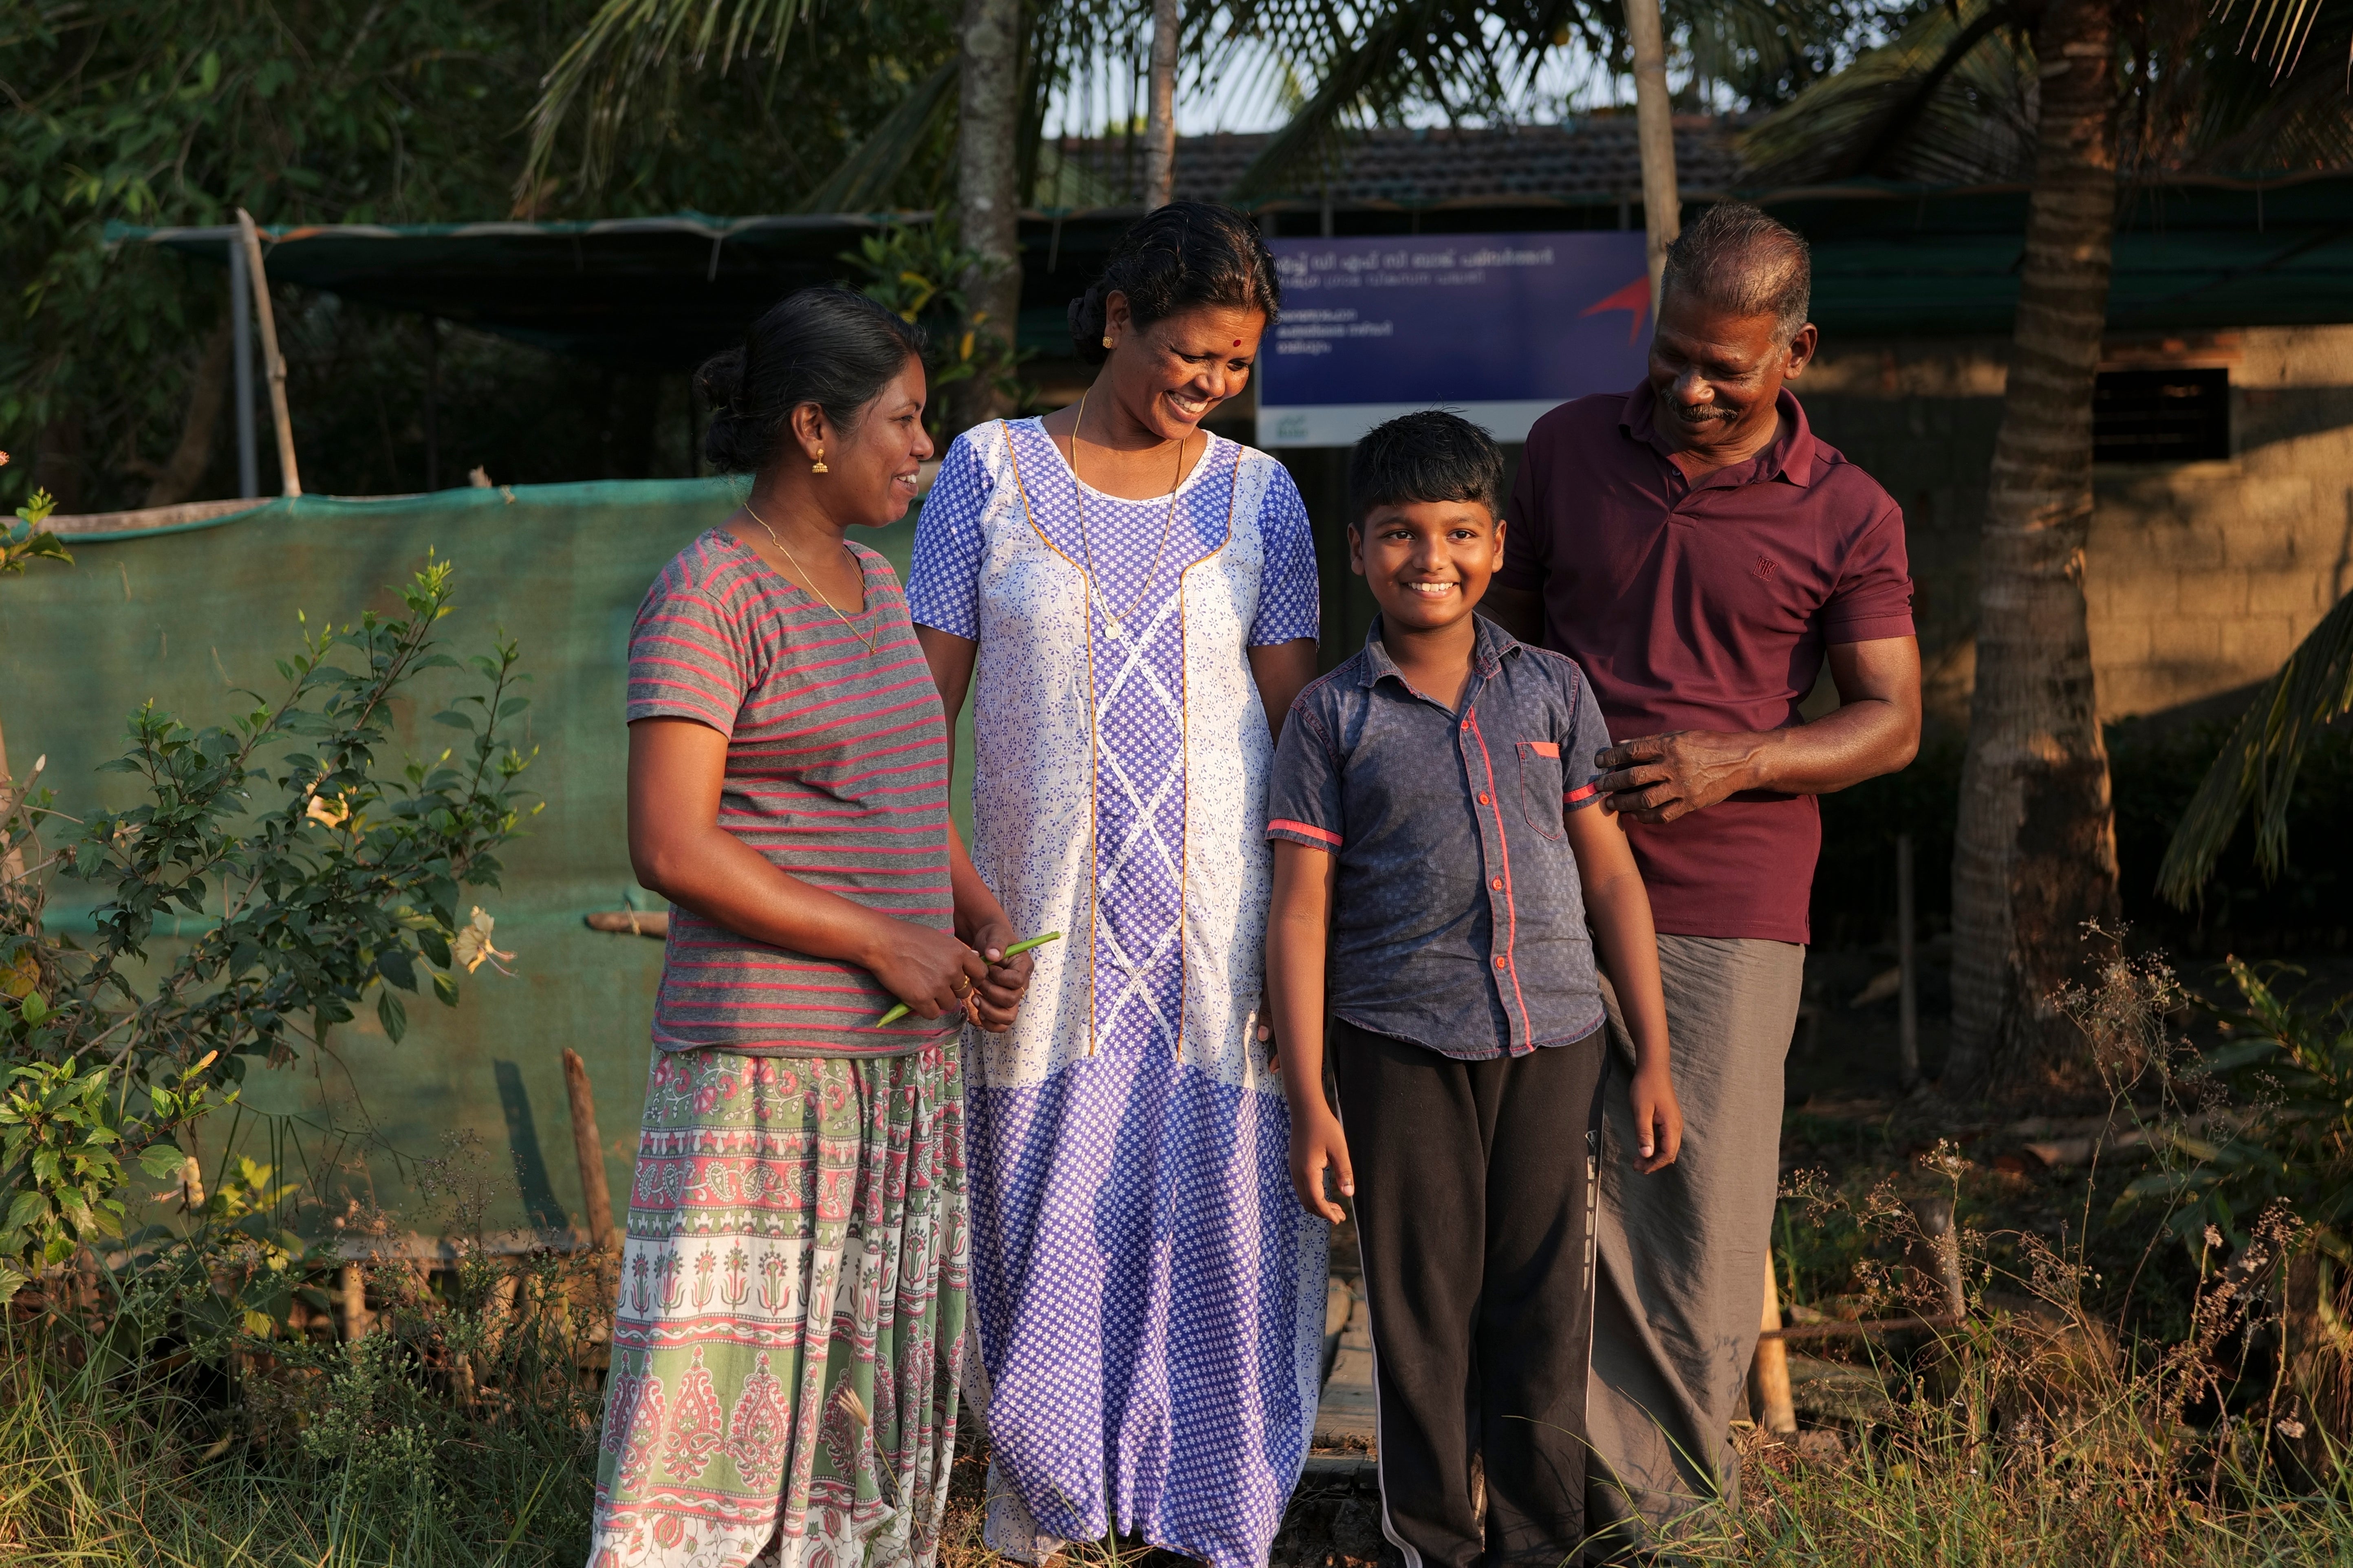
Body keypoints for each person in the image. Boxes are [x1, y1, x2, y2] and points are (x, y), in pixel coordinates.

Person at [1482, 203, 1922, 1550]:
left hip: (1731, 904)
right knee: (1542, 1204)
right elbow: (1501, 646)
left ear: (1797, 352)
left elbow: (1893, 719)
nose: (1686, 387)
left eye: (1724, 369)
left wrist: (1739, 762)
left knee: (1695, 1219)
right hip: (1546, 889)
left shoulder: (1850, 511)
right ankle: (1535, 1516)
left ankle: (1667, 1528)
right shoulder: (1564, 450)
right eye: (1671, 353)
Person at [906, 202, 1327, 1568]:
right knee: (1042, 1213)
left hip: (1222, 941)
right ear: (1114, 322)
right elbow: (921, 727)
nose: (1211, 385)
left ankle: (1209, 1513)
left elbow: (1303, 748)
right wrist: (961, 901)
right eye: (1191, 354)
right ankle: (1050, 1503)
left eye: (1237, 364)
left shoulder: (1265, 498)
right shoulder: (986, 473)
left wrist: (1307, 943)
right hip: (1036, 938)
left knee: (1225, 1209)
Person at [589, 287, 1036, 1568]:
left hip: (894, 1066)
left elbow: (900, 785)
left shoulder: (878, 590)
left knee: (850, 1389)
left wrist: (972, 911)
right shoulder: (707, 594)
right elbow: (671, 844)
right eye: (903, 420)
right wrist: (880, 943)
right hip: (767, 1076)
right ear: (812, 429)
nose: (925, 447)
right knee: (726, 1390)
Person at [1262, 410, 1681, 1568]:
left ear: (1497, 545)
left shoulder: (1552, 691)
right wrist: (1311, 1099)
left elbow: (1610, 876)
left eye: (1457, 532)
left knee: (1544, 1310)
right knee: (1422, 1313)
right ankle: (1435, 1542)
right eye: (1398, 534)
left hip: (1554, 1042)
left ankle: (1540, 1544)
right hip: (1397, 1048)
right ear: (1358, 551)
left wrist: (1653, 1052)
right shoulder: (1332, 717)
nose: (1429, 558)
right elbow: (1300, 911)